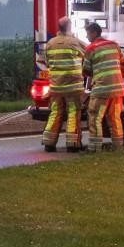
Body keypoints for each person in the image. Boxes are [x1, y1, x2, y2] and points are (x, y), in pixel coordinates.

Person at [41, 16, 86, 153]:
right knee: (73, 113)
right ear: (69, 27)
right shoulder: (74, 42)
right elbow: (89, 53)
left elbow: (45, 62)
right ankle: (72, 144)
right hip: (73, 87)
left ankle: (49, 142)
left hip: (55, 87)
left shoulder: (50, 43)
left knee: (55, 112)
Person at [83, 21, 124, 152]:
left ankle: (95, 148)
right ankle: (118, 146)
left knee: (95, 117)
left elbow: (87, 71)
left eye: (88, 34)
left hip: (102, 90)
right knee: (114, 118)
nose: (86, 37)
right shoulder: (114, 45)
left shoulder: (90, 49)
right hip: (117, 89)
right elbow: (123, 61)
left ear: (94, 33)